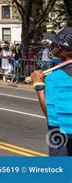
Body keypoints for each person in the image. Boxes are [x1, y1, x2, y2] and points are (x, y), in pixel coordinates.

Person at [31, 27, 72, 156]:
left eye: (56, 45)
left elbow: (50, 115)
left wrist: (38, 85)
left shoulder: (55, 77)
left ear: (68, 52)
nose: (52, 46)